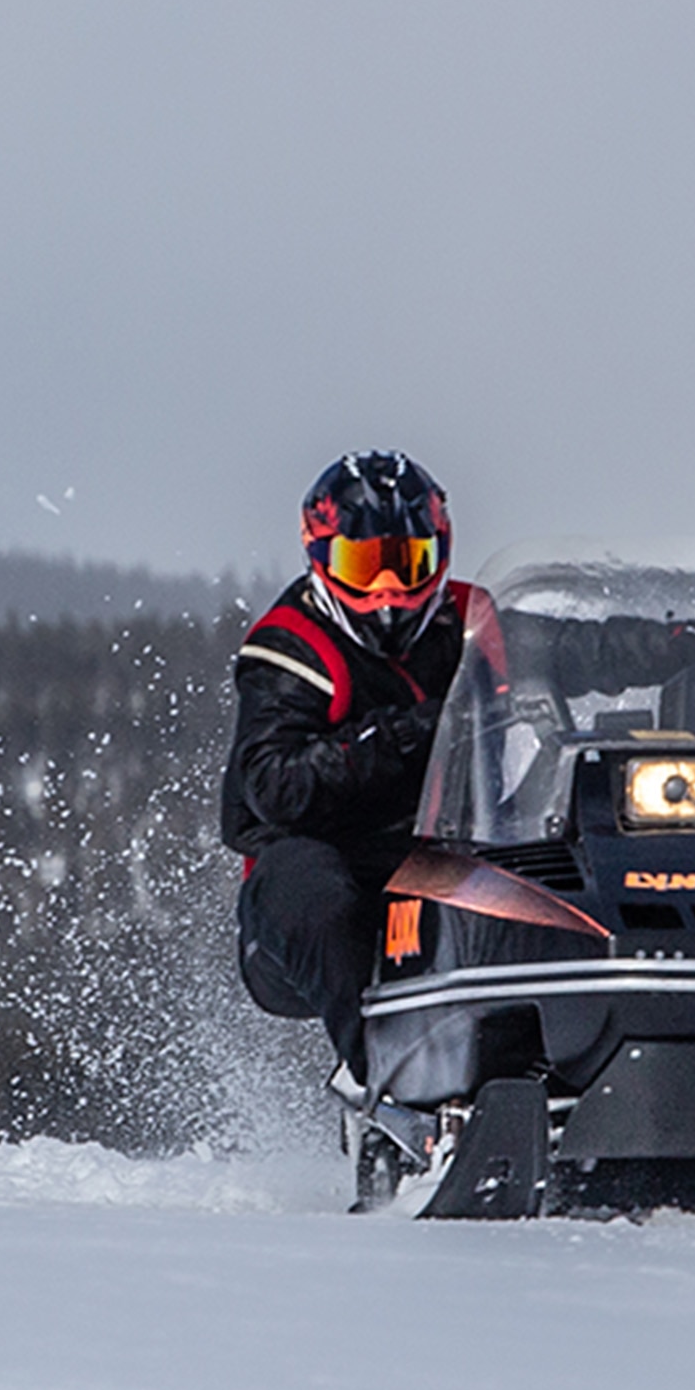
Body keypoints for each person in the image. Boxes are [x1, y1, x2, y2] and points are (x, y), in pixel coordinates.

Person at [221, 448, 487, 1083]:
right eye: (365, 568)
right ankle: (393, 1086)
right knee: (312, 886)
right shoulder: (289, 648)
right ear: (323, 560)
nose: (389, 590)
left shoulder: (475, 621)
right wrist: (406, 734)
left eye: (406, 564)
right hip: (313, 897)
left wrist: (673, 646)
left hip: (447, 860)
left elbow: (573, 644)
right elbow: (275, 785)